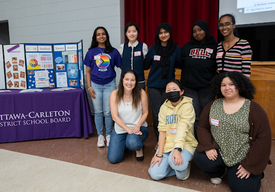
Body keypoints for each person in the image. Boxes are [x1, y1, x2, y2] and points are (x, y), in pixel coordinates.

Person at [193, 72, 271, 192]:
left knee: (242, 188)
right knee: (200, 157)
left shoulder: (253, 109)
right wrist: (208, 146)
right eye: (223, 85)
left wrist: (249, 166)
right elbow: (202, 126)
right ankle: (218, 172)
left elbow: (263, 138)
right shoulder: (212, 105)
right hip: (219, 151)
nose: (227, 88)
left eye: (231, 84)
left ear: (239, 86)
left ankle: (255, 173)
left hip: (243, 157)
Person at [148, 79, 198, 181]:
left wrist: (177, 149)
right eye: (168, 90)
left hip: (185, 144)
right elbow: (162, 131)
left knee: (179, 172)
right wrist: (159, 154)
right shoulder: (163, 108)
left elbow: (182, 129)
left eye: (174, 89)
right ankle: (174, 164)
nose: (171, 92)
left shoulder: (187, 106)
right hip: (168, 145)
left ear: (182, 91)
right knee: (155, 174)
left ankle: (182, 165)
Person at [84, 26, 122, 148]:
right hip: (95, 85)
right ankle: (100, 135)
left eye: (103, 34)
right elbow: (88, 72)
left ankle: (109, 135)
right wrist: (89, 87)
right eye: (98, 34)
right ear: (95, 37)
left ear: (107, 36)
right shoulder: (91, 52)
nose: (101, 36)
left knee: (108, 112)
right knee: (98, 112)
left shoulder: (114, 52)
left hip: (110, 84)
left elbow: (123, 68)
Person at [144, 23, 181, 142]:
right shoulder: (153, 48)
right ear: (157, 35)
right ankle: (159, 141)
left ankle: (170, 140)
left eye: (166, 32)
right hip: (154, 86)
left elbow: (180, 64)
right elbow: (145, 65)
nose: (163, 35)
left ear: (170, 33)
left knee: (169, 115)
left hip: (169, 87)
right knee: (156, 115)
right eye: (160, 32)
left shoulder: (175, 49)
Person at [180, 20, 217, 138]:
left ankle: (206, 139)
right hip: (190, 87)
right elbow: (180, 63)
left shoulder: (215, 46)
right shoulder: (187, 47)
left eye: (200, 30)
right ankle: (196, 141)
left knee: (206, 115)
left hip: (208, 87)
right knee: (194, 115)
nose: (197, 33)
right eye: (194, 31)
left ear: (206, 30)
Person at [107, 70, 149, 163]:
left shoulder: (141, 92)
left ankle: (139, 148)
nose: (129, 83)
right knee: (113, 159)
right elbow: (114, 117)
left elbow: (145, 112)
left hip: (138, 127)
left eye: (132, 80)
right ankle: (126, 141)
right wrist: (129, 130)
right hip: (121, 129)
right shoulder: (115, 93)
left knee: (133, 143)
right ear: (122, 80)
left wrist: (137, 126)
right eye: (127, 79)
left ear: (136, 82)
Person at [118, 22, 148, 90]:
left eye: (134, 31)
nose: (132, 34)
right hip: (125, 82)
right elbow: (119, 63)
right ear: (126, 33)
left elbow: (146, 62)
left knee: (139, 100)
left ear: (137, 33)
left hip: (139, 81)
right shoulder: (122, 47)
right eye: (129, 31)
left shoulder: (143, 46)